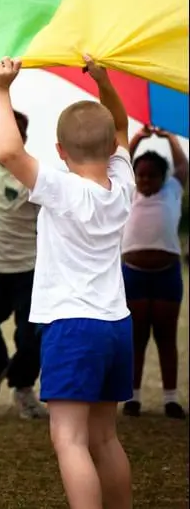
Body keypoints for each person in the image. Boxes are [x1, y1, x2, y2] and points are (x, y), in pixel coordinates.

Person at [0, 55, 134, 509]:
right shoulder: (123, 181)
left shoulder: (61, 188)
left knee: (69, 440)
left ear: (59, 151)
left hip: (73, 327)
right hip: (116, 325)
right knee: (105, 438)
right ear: (112, 145)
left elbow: (10, 153)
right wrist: (106, 84)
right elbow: (124, 129)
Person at [0, 109, 48, 419]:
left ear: (22, 139)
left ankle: (24, 388)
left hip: (27, 270)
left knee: (31, 335)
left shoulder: (34, 176)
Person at [121, 126, 188, 419]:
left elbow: (183, 165)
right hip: (133, 275)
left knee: (165, 336)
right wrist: (138, 137)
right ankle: (133, 397)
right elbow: (121, 159)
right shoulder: (129, 193)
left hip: (166, 275)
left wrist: (169, 137)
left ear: (164, 177)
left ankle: (171, 398)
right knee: (136, 338)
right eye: (141, 175)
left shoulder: (172, 190)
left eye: (152, 175)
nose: (146, 180)